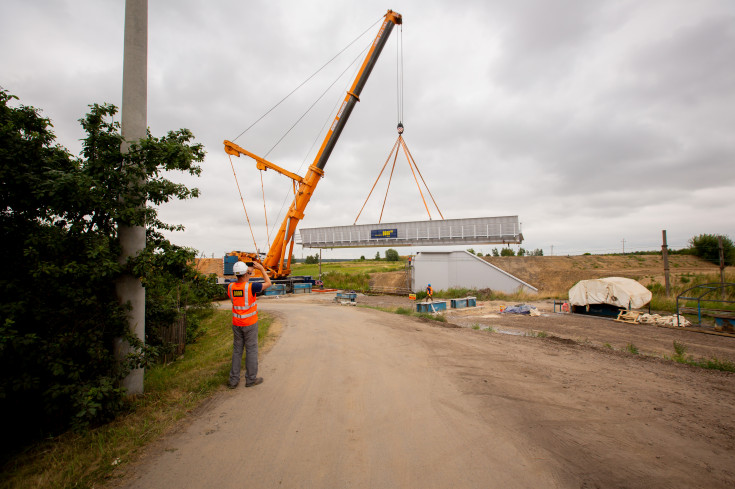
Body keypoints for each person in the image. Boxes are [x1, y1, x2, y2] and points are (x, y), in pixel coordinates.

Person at [227, 261, 272, 388]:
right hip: (250, 323)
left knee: (237, 350)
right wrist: (262, 269)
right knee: (251, 350)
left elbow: (237, 295)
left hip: (236, 323)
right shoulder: (251, 287)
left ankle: (233, 380)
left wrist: (248, 273)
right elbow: (268, 283)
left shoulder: (230, 287)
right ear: (246, 272)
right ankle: (251, 379)